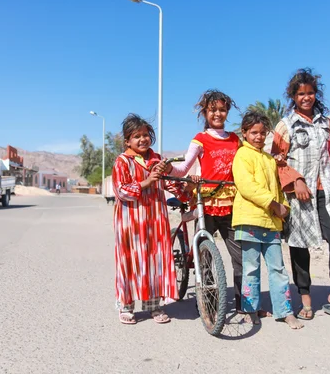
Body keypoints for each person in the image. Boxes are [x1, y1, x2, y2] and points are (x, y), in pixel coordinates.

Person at [271, 68, 330, 323]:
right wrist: (295, 179)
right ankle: (306, 298)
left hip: (327, 191)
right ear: (294, 96)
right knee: (300, 245)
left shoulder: (326, 123)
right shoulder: (285, 126)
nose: (306, 97)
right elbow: (277, 160)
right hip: (299, 195)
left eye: (310, 93)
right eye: (301, 94)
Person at [168, 89, 250, 315]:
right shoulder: (200, 139)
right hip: (206, 204)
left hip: (231, 204)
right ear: (205, 112)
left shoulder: (235, 140)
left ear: (227, 112)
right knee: (204, 255)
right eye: (213, 110)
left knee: (240, 256)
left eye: (222, 109)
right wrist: (168, 169)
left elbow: (245, 165)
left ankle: (244, 302)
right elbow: (184, 167)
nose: (218, 114)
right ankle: (208, 301)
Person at [112, 113, 190, 325]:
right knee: (130, 262)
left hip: (155, 221)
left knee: (155, 261)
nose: (142, 139)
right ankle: (126, 306)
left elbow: (171, 184)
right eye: (136, 136)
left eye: (146, 135)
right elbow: (120, 191)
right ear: (127, 140)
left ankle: (153, 306)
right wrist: (147, 182)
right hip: (131, 223)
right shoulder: (122, 162)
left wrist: (187, 191)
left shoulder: (157, 161)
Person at [232, 111, 303, 329]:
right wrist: (273, 204)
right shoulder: (242, 156)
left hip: (271, 223)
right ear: (244, 133)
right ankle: (250, 310)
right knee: (251, 268)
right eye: (254, 132)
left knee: (278, 269)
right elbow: (247, 187)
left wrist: (285, 207)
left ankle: (284, 311)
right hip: (250, 220)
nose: (259, 137)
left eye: (263, 133)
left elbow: (278, 189)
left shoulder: (269, 159)